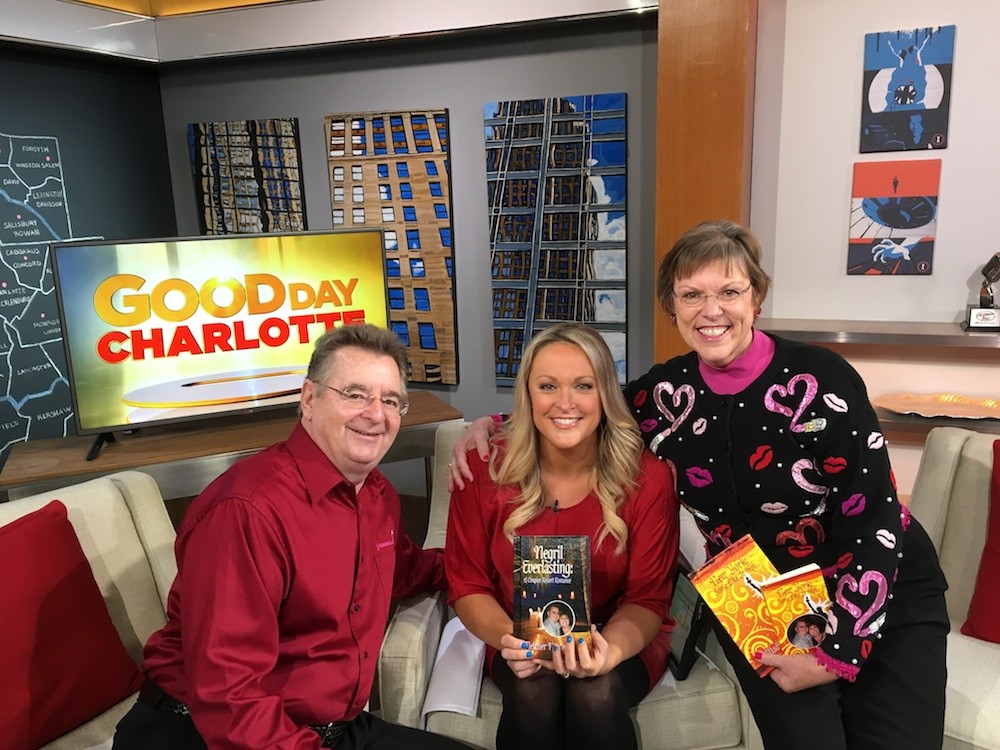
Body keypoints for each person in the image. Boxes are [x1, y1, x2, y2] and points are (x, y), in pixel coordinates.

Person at [450, 221, 949, 750]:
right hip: (761, 596)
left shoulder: (821, 379)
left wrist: (839, 652)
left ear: (756, 297)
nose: (711, 311)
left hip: (877, 581)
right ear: (673, 308)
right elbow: (580, 407)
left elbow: (874, 517)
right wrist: (495, 424)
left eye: (729, 291)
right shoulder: (664, 395)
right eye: (691, 295)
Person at [113, 324, 468, 750]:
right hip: (206, 733)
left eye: (390, 400)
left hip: (322, 729)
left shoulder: (376, 495)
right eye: (355, 394)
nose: (376, 414)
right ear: (309, 399)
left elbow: (406, 570)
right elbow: (229, 695)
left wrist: (497, 566)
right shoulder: (247, 510)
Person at [445, 322, 679, 750]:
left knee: (594, 693)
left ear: (605, 393)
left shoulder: (648, 478)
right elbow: (468, 583)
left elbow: (648, 598)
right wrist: (514, 641)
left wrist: (608, 651)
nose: (565, 403)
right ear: (527, 394)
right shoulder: (482, 468)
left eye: (583, 386)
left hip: (619, 630)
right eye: (548, 386)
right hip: (513, 628)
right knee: (534, 689)